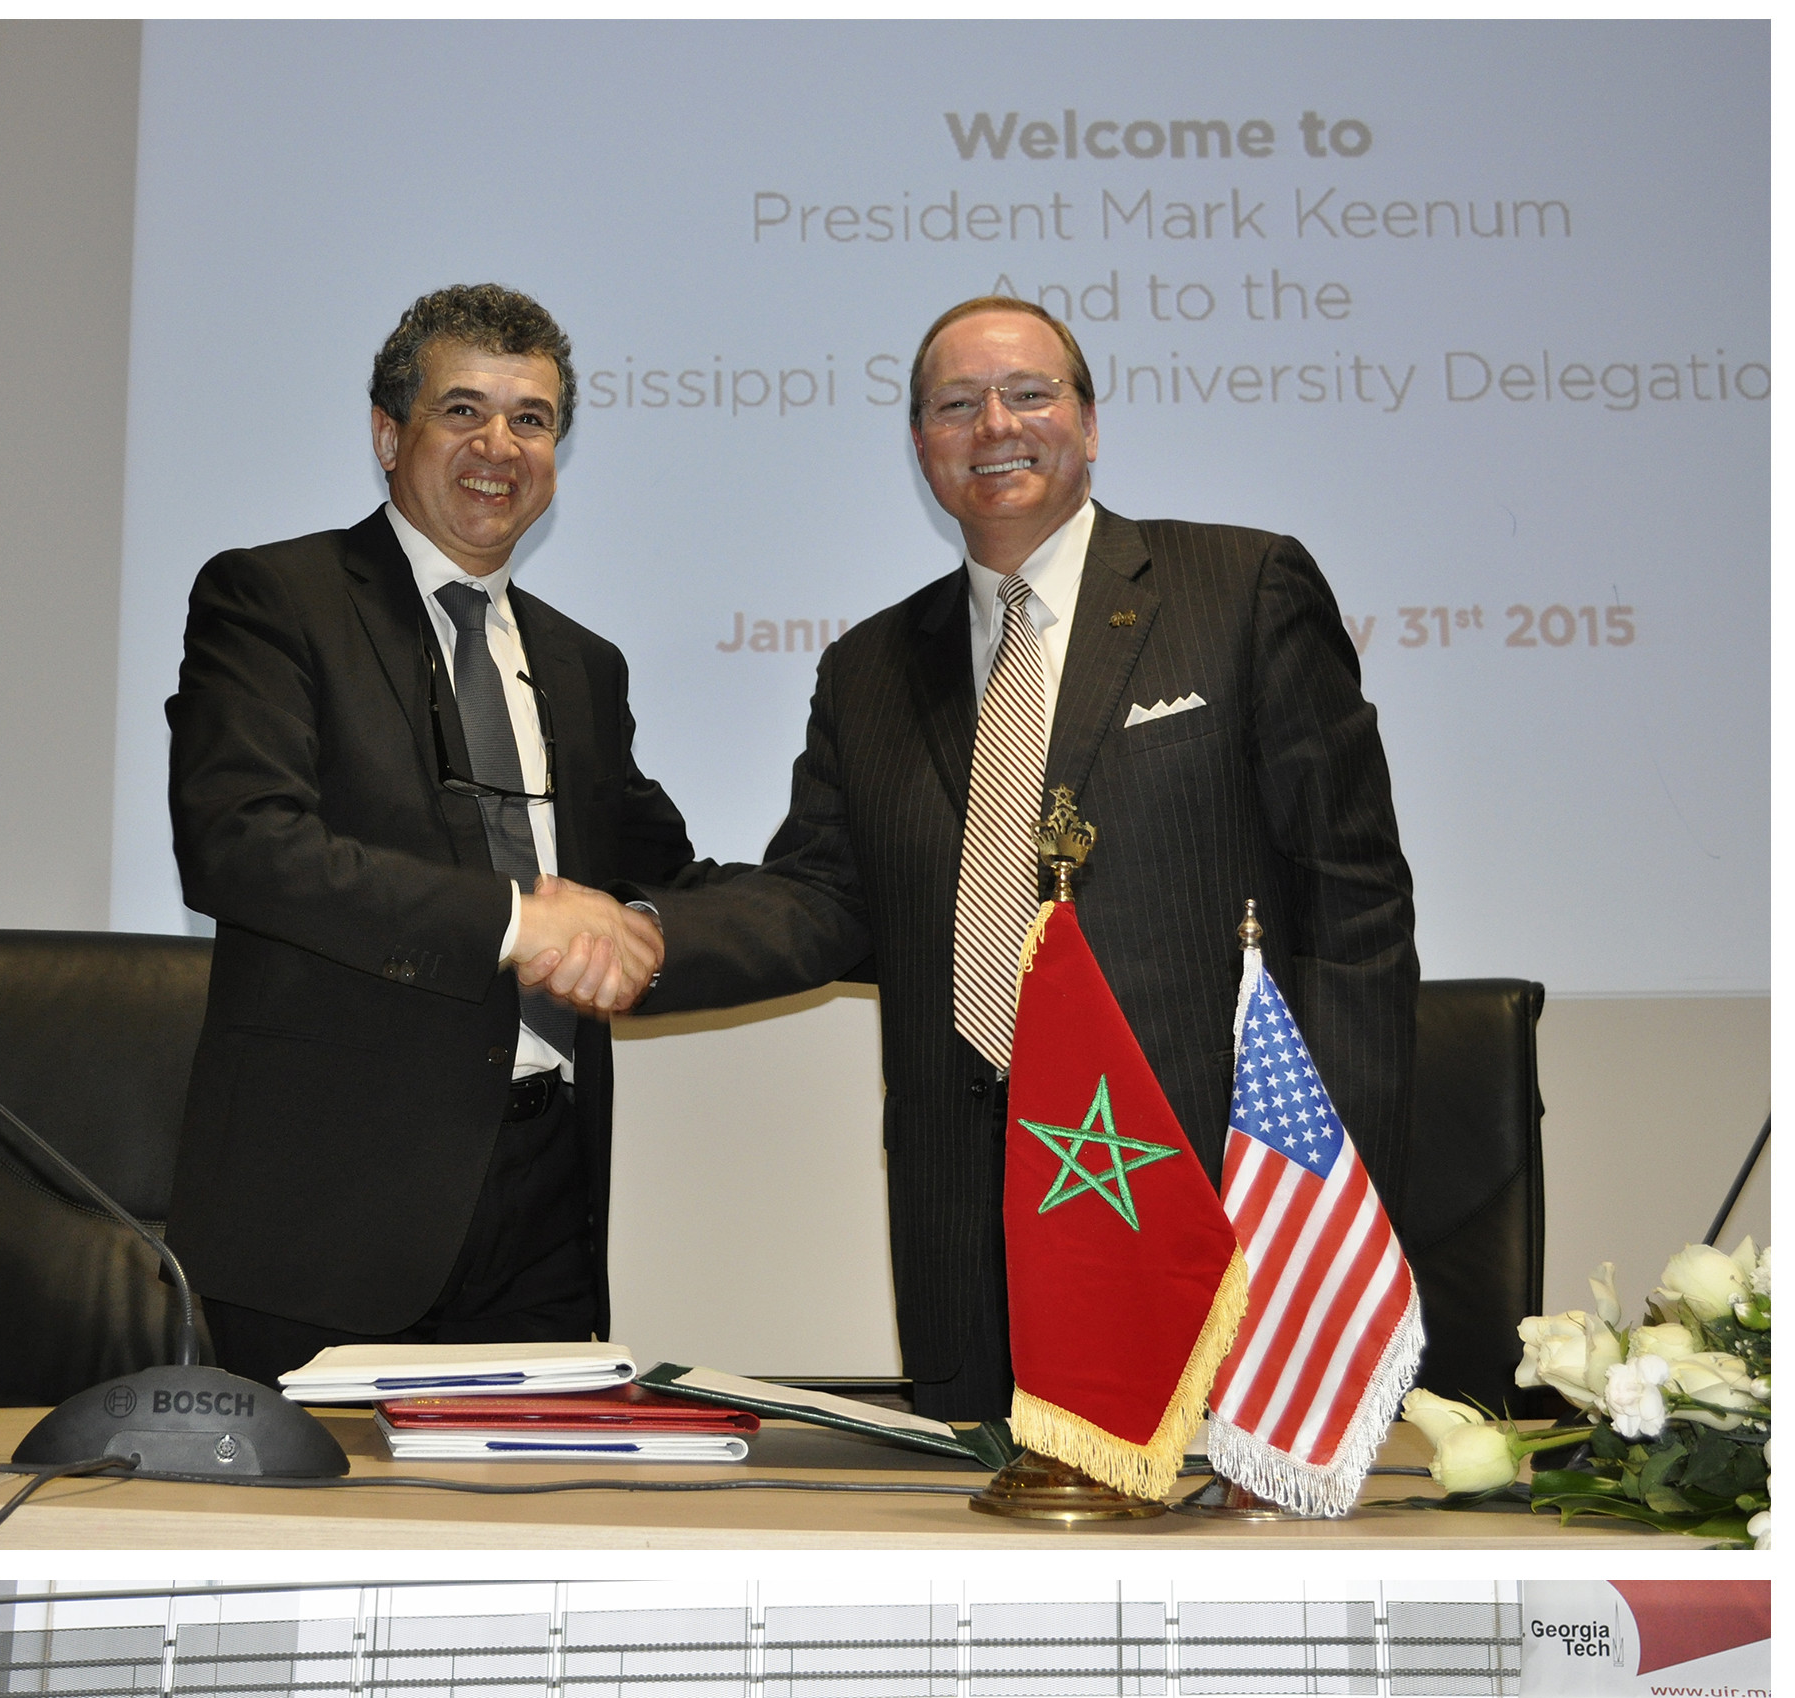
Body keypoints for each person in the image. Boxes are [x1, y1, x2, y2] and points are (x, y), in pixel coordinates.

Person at [524, 293, 1417, 1419]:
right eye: (955, 404)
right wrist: (647, 936)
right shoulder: (870, 670)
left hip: (1216, 1200)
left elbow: (1356, 902)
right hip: (971, 1218)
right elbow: (822, 901)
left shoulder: (1237, 592)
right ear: (921, 448)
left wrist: (1329, 1194)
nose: (994, 424)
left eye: (1028, 393)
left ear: (1087, 424)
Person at [165, 283, 682, 1386]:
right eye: (463, 410)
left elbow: (660, 874)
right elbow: (241, 845)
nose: (499, 446)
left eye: (532, 419)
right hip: (329, 1208)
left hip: (544, 1203)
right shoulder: (274, 599)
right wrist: (518, 919)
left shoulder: (583, 665)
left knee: (525, 1539)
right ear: (388, 434)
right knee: (300, 1551)